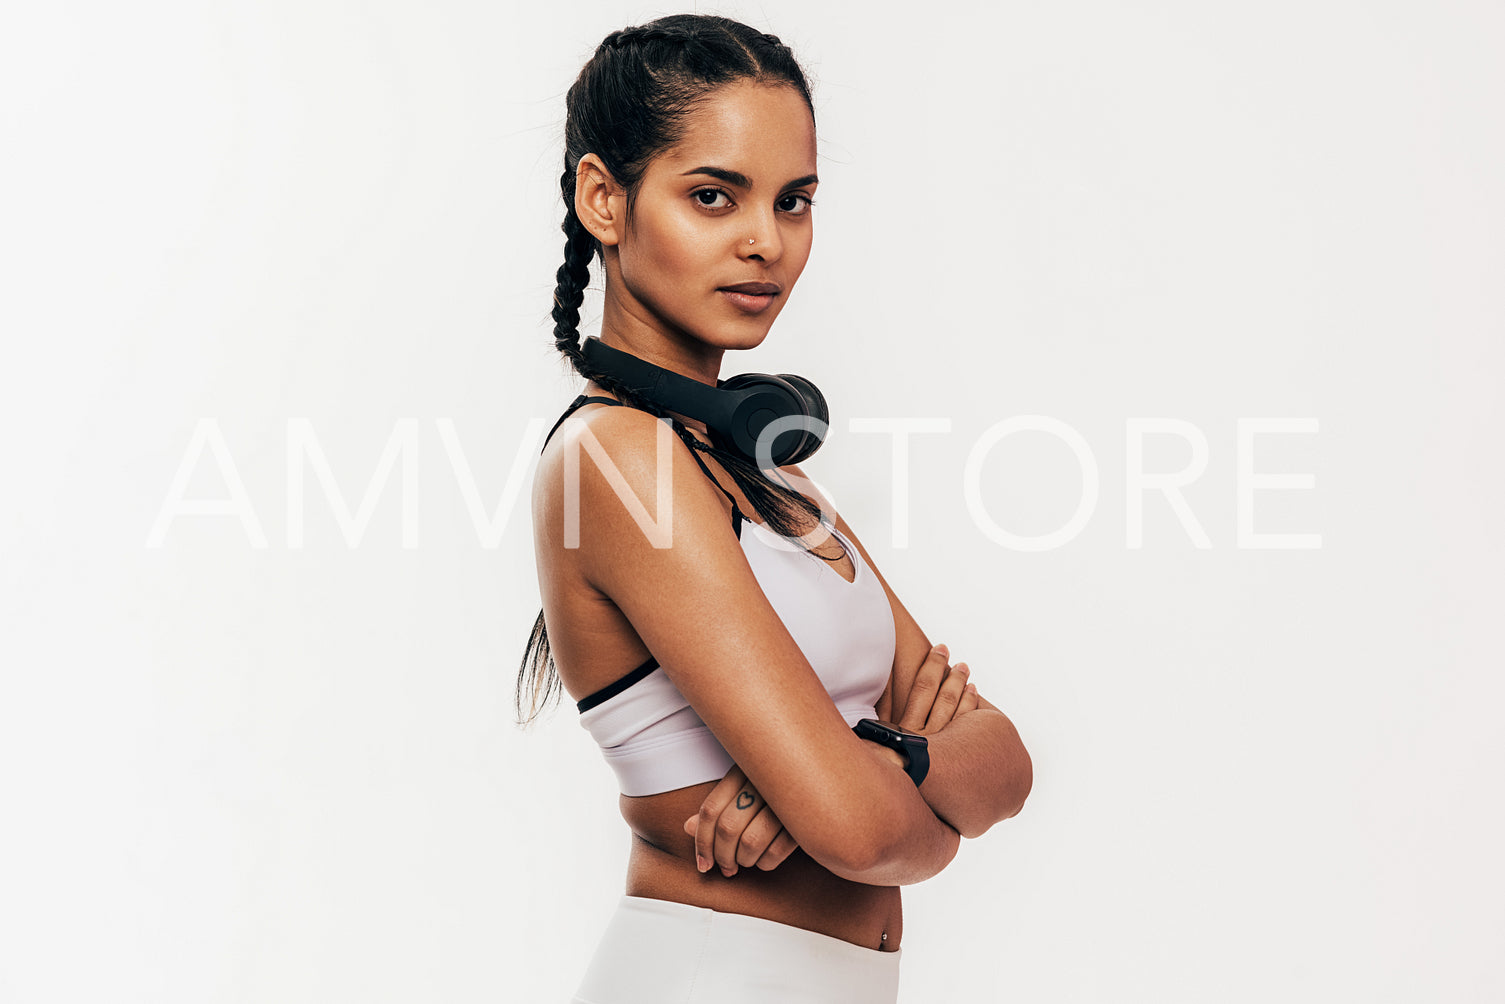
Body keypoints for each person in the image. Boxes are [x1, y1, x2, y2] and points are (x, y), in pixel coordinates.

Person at [519, 14, 1033, 1002]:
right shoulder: (621, 460)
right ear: (603, 199)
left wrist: (869, 758)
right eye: (713, 196)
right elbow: (867, 833)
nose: (765, 242)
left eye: (792, 200)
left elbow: (1004, 759)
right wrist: (874, 785)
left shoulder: (763, 466)